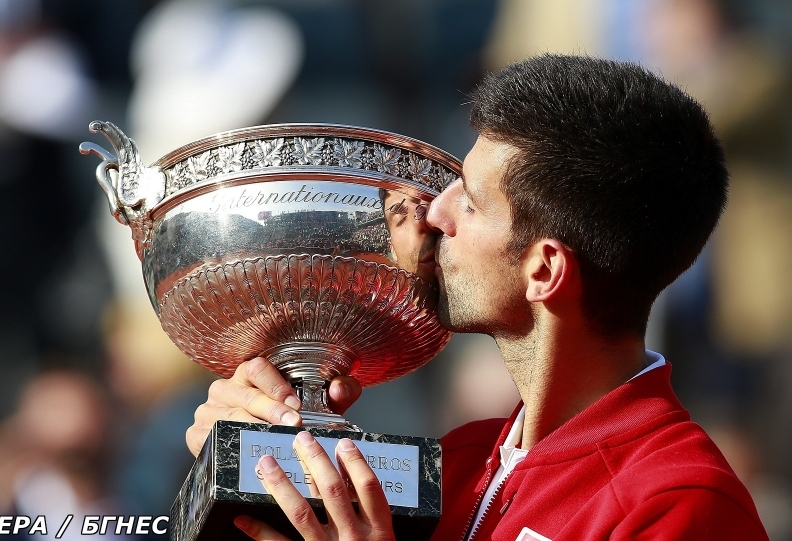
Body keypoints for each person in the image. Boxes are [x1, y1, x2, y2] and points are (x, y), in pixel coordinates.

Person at [186, 54, 769, 540]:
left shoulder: (679, 505)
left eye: (469, 200)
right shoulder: (456, 463)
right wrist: (271, 457)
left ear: (545, 270)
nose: (434, 213)